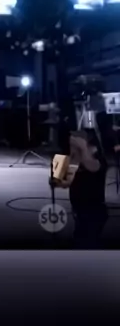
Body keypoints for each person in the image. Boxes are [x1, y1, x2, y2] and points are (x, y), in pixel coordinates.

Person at [53, 97, 114, 248]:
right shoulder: (74, 158)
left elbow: (92, 166)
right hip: (79, 210)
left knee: (88, 240)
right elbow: (62, 182)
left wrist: (82, 148)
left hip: (94, 212)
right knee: (80, 237)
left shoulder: (98, 159)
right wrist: (59, 168)